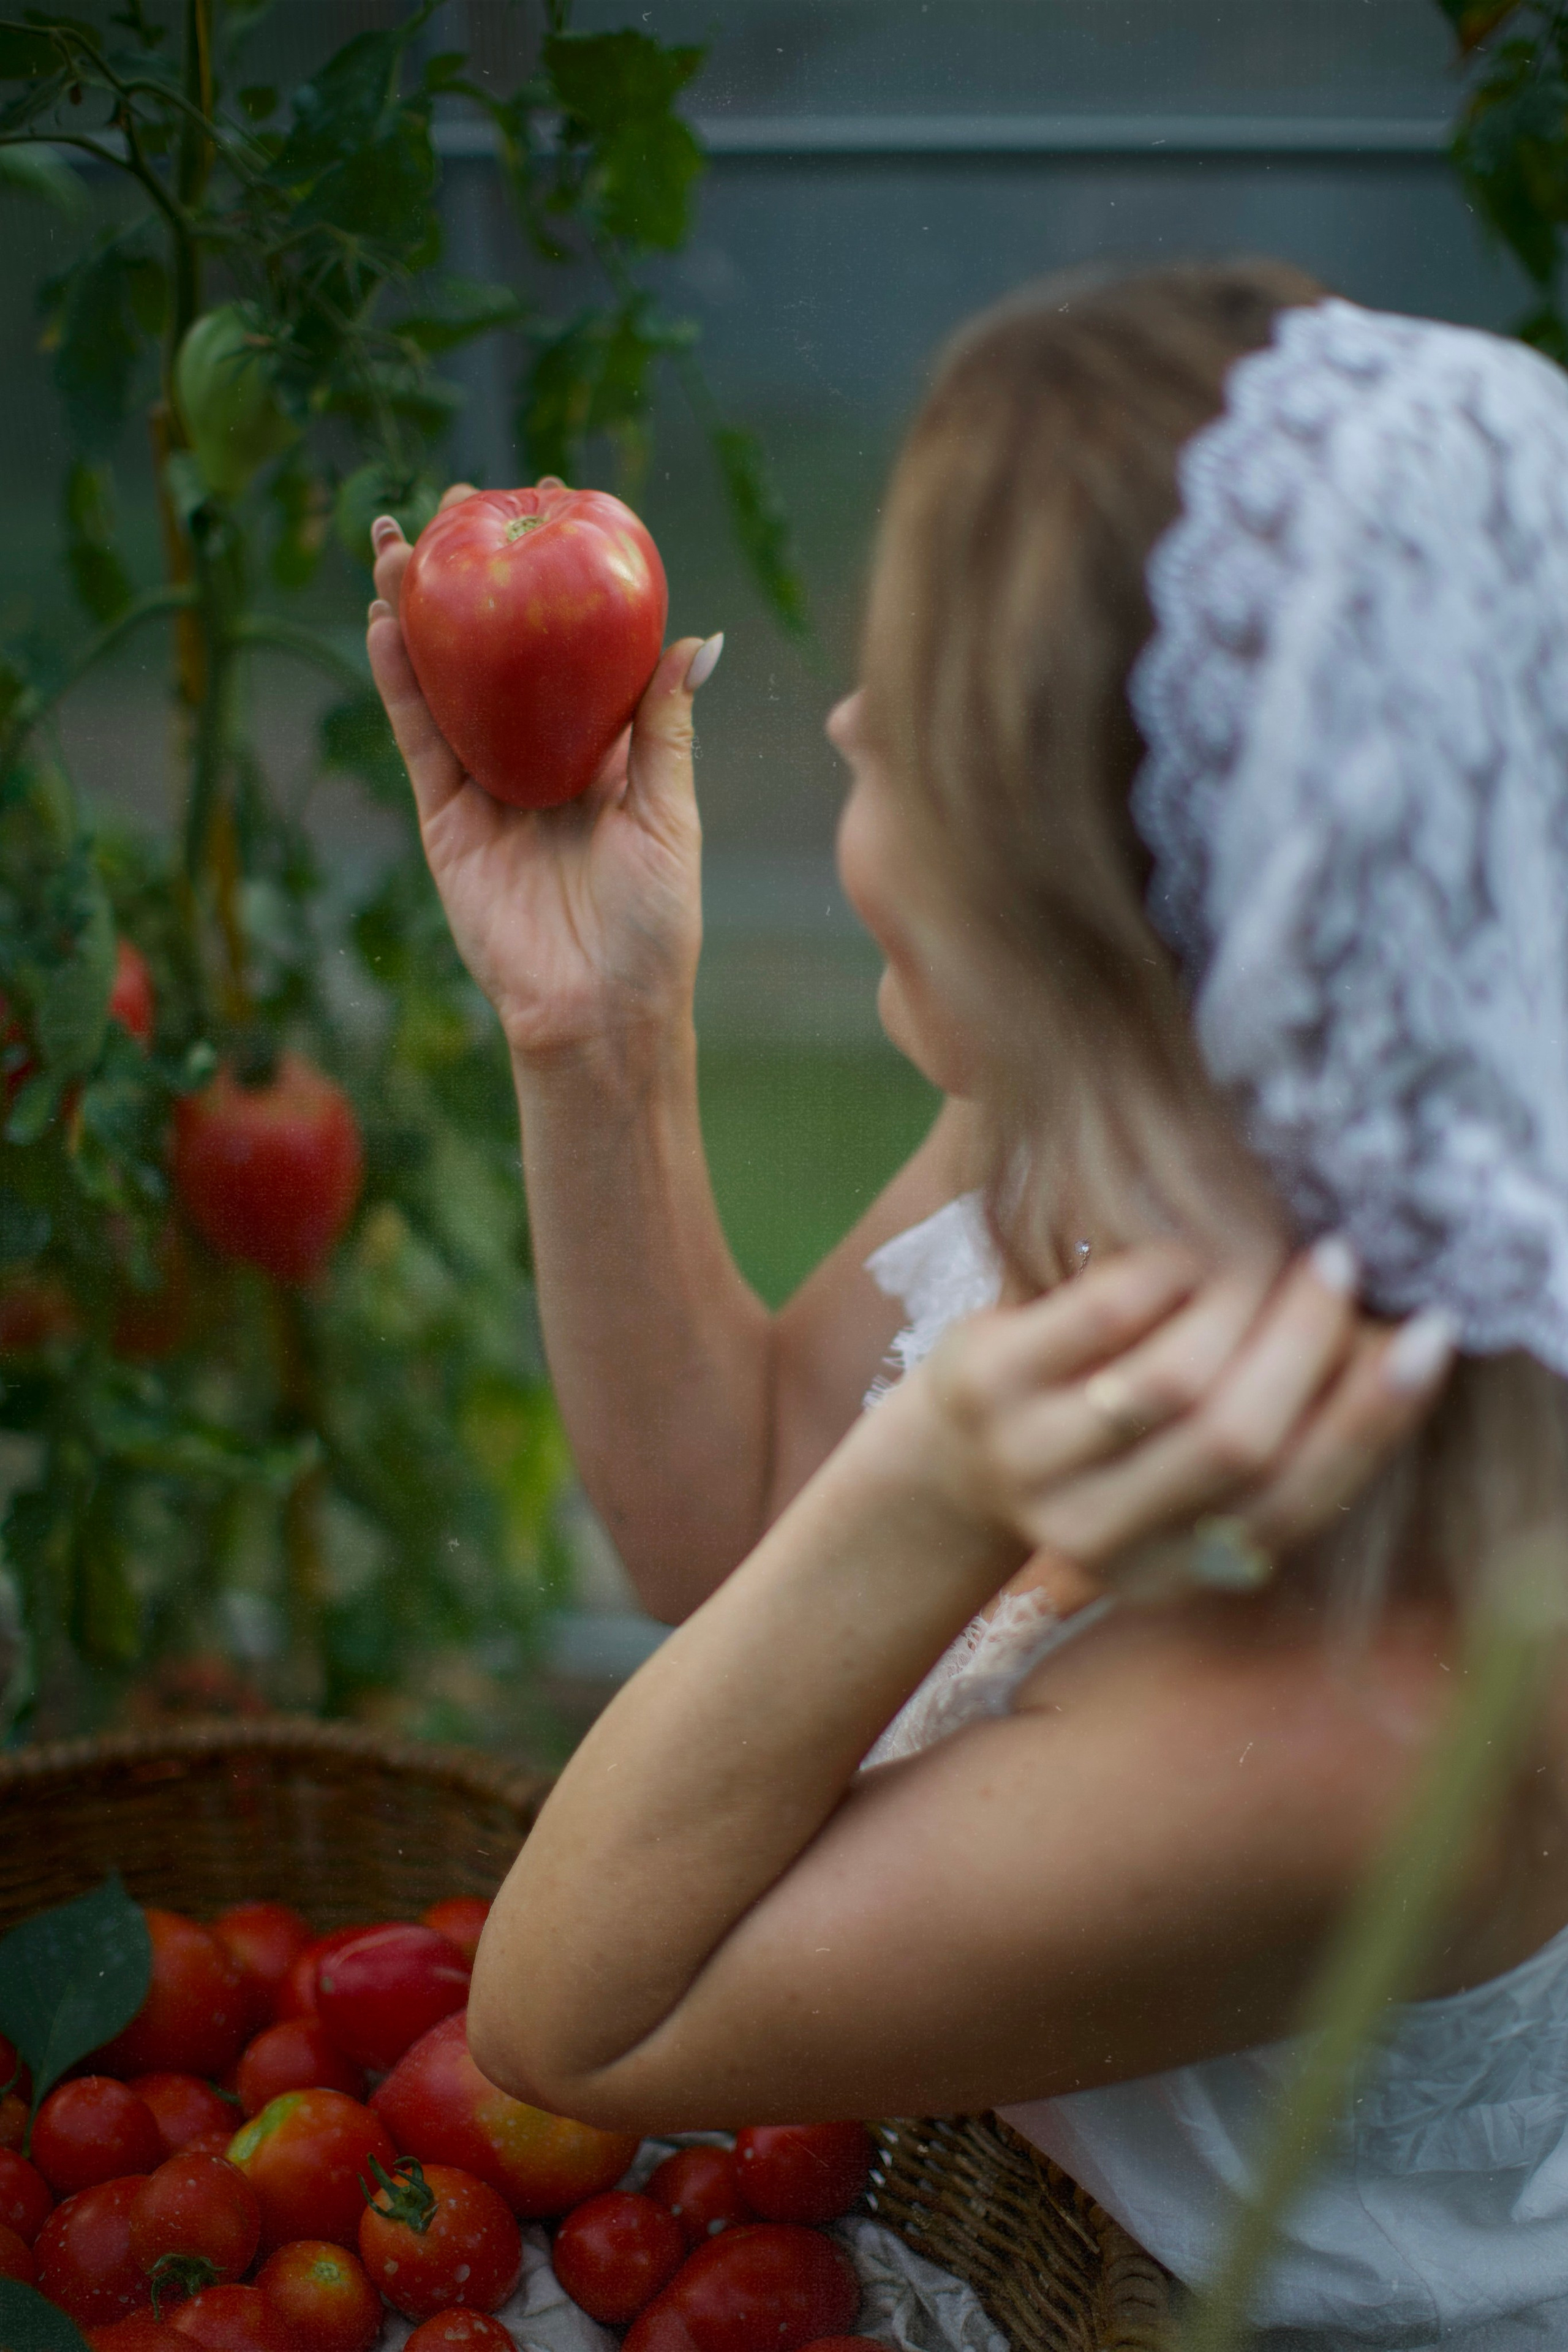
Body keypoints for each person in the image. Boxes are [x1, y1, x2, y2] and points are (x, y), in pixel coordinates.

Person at [367, 261, 1568, 2346]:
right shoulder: (1163, 1125)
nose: (834, 722)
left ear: (1116, 887)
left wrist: (940, 1476)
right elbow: (733, 1519)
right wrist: (598, 1033)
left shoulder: (1379, 1686)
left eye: (906, 709)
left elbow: (574, 2013)